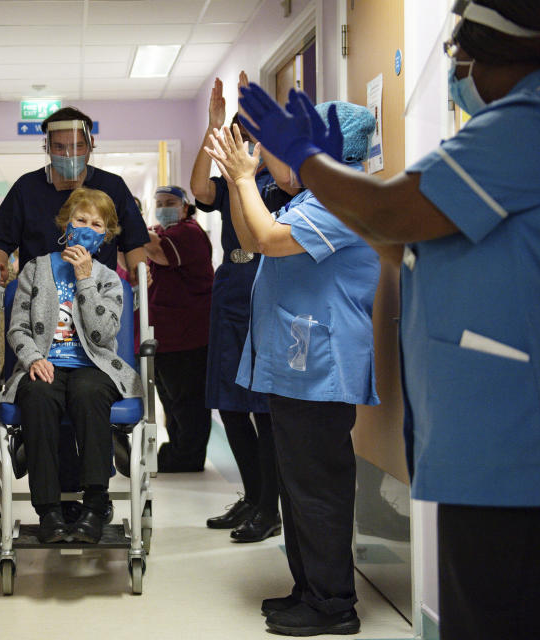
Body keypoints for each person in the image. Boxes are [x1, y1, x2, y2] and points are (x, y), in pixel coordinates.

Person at [236, 2, 540, 637]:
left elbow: (386, 217)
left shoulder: (529, 122)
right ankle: (314, 592)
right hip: (488, 436)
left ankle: (328, 601)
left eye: (464, 53)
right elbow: (402, 242)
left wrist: (305, 157)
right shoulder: (513, 128)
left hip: (516, 440)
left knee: (501, 607)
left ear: (516, 51)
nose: (458, 67)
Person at [206, 100, 379, 636]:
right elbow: (248, 234)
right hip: (296, 366)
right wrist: (241, 184)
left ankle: (334, 605)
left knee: (317, 488)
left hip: (321, 371)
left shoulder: (341, 200)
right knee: (298, 486)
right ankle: (309, 590)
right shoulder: (307, 200)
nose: (270, 155)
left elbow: (264, 240)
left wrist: (242, 175)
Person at [0, 187, 144, 544]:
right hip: (44, 363)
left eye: (97, 224)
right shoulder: (35, 269)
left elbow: (101, 334)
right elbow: (17, 326)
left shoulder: (110, 279)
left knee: (88, 390)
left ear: (105, 236)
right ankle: (48, 511)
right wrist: (34, 358)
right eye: (80, 219)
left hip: (95, 365)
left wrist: (84, 278)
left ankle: (95, 505)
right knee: (36, 394)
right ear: (66, 223)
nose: (87, 228)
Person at [192, 75, 296, 541]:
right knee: (229, 404)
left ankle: (269, 507)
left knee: (262, 407)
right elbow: (198, 189)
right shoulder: (232, 180)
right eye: (238, 133)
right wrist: (212, 127)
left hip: (262, 284)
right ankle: (253, 497)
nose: (245, 140)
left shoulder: (283, 181)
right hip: (230, 286)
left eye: (251, 132)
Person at [0, 106, 150, 283]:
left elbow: (133, 241)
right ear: (47, 147)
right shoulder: (26, 188)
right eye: (59, 147)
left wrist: (138, 271)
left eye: (77, 146)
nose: (68, 155)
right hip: (37, 293)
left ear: (90, 144)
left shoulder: (112, 187)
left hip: (96, 295)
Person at [143, 186, 214, 473]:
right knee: (172, 401)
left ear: (185, 207)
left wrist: (124, 222)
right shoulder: (160, 231)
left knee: (187, 401)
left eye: (170, 202)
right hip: (167, 334)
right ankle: (178, 450)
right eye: (159, 203)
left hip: (189, 334)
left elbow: (159, 252)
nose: (164, 207)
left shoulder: (189, 233)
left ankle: (188, 456)